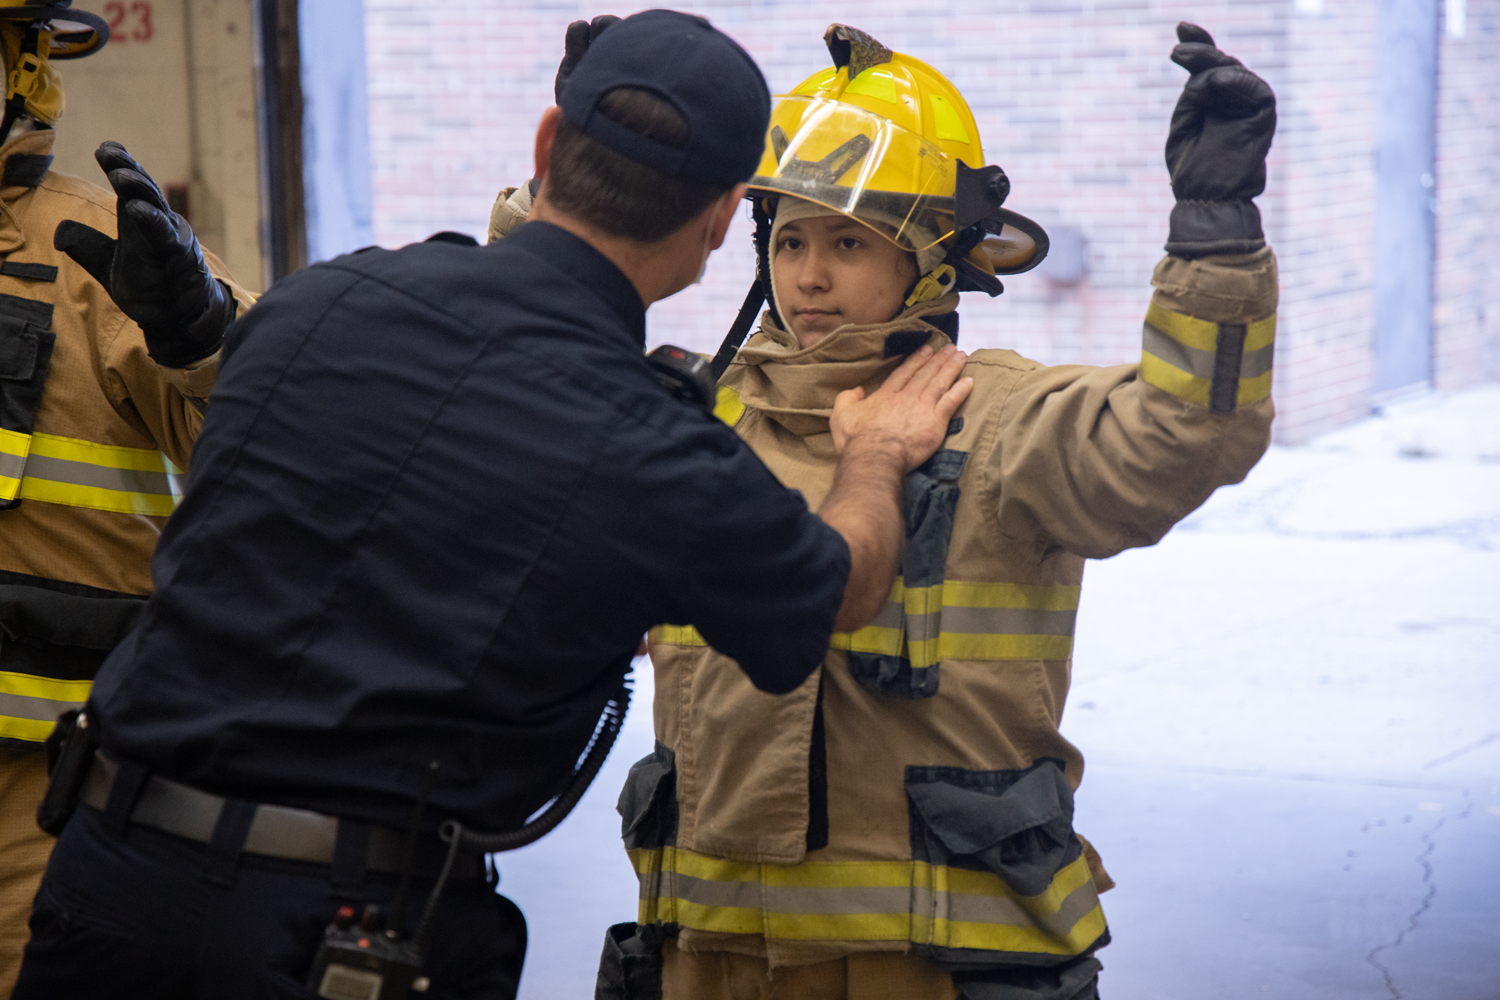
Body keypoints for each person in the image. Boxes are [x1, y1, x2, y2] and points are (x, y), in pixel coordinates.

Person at [12, 11, 975, 1000]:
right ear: (728, 219)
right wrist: (878, 456)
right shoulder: (658, 451)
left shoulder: (322, 303)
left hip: (106, 887)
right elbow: (839, 587)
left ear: (548, 145)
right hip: (338, 940)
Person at [584, 21, 1279, 1000]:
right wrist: (584, 178)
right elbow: (525, 421)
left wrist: (1216, 228)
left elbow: (1185, 436)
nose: (810, 276)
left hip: (935, 970)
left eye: (849, 240)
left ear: (934, 263)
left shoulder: (999, 419)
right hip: (711, 960)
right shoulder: (708, 418)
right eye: (788, 238)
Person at [0, 1, 252, 991]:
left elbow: (287, 444)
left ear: (23, 70)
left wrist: (200, 334)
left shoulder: (98, 251)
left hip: (57, 820)